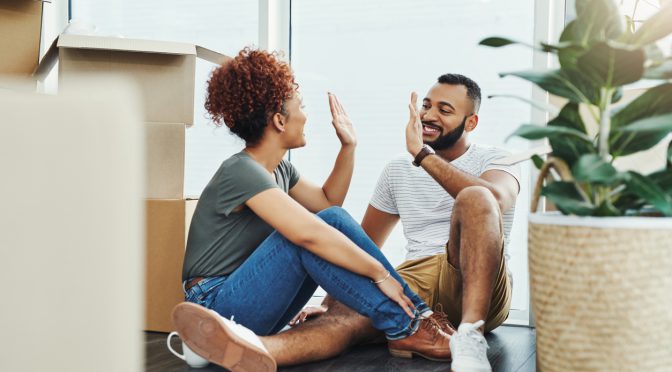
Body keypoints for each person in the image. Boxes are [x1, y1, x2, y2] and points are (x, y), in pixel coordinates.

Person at [174, 73, 521, 372]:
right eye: (302, 107)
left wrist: (349, 147)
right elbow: (314, 233)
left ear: (470, 121)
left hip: (476, 277)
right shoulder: (241, 170)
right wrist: (371, 280)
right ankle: (411, 325)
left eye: (444, 109)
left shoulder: (279, 169)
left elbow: (328, 204)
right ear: (280, 121)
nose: (428, 114)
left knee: (329, 220)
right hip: (216, 298)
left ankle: (223, 341)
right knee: (321, 247)